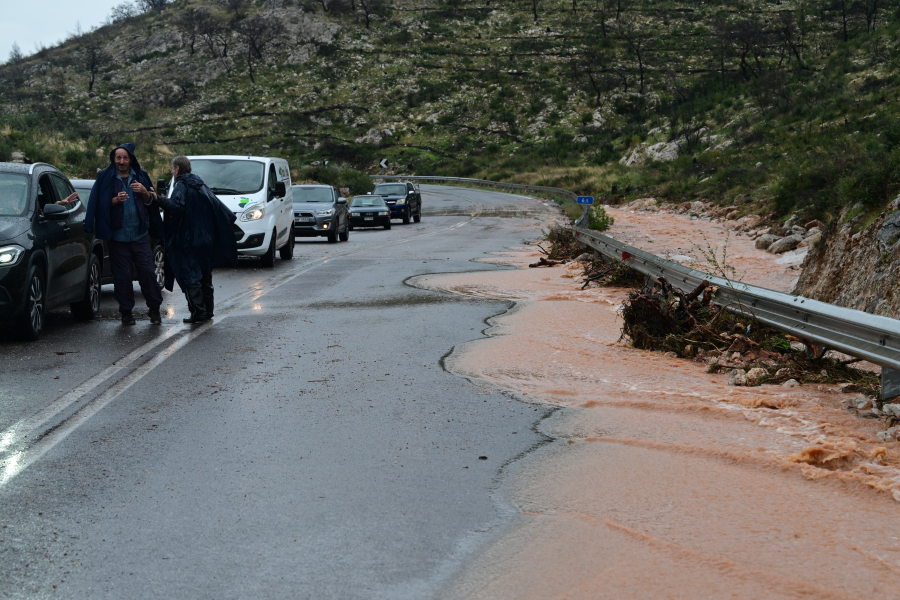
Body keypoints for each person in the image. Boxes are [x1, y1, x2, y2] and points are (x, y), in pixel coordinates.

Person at [84, 143, 164, 325]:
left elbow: (151, 201)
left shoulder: (141, 176)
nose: (121, 161)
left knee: (147, 272)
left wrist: (144, 192)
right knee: (122, 276)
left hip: (140, 235)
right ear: (113, 159)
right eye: (118, 158)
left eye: (125, 158)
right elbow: (97, 204)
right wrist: (115, 200)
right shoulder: (105, 177)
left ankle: (154, 309)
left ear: (130, 159)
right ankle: (126, 312)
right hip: (117, 237)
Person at [163, 156, 238, 324]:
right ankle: (208, 310)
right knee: (205, 275)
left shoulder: (181, 185)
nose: (172, 171)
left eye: (172, 169)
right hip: (205, 239)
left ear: (177, 169)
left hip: (188, 239)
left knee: (190, 276)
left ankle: (198, 312)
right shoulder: (200, 185)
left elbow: (176, 206)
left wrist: (157, 200)